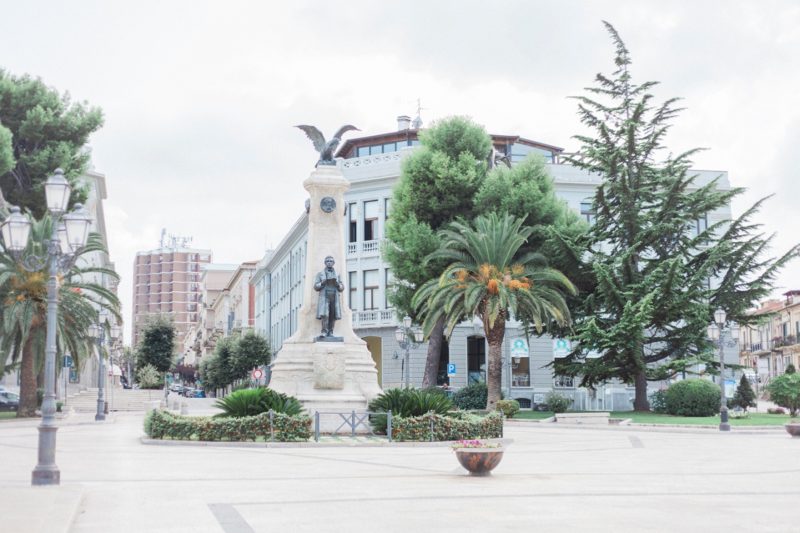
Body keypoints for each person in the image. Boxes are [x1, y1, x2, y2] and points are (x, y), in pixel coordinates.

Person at [314, 256, 344, 337]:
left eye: (331, 261)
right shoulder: (320, 274)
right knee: (325, 314)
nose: (329, 262)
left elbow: (342, 287)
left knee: (333, 315)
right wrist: (322, 283)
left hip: (334, 295)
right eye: (327, 261)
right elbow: (316, 286)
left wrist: (338, 284)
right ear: (325, 263)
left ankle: (331, 331)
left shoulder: (337, 274)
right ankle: (324, 331)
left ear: (333, 263)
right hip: (325, 295)